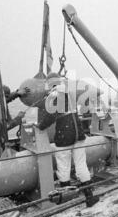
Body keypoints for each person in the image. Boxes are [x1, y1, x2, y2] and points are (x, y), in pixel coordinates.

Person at [37, 72, 99, 207]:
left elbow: (50, 117)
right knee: (81, 165)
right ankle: (89, 197)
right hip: (79, 133)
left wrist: (40, 127)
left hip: (64, 136)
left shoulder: (54, 95)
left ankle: (67, 201)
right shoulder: (70, 93)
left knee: (63, 166)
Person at [0, 85, 27, 160]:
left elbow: (6, 99)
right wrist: (18, 118)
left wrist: (17, 93)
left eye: (7, 97)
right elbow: (4, 127)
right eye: (5, 97)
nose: (7, 99)